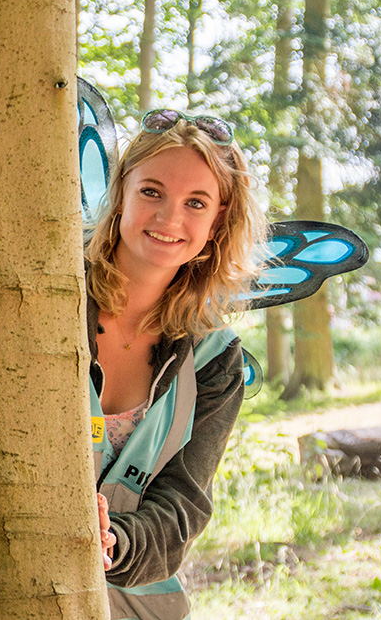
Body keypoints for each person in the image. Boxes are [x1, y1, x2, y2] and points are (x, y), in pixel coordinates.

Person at [85, 109, 265, 620]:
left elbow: (182, 508)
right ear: (120, 194)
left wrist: (109, 541)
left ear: (217, 224)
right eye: (151, 192)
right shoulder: (51, 299)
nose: (170, 218)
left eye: (196, 203)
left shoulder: (215, 359)